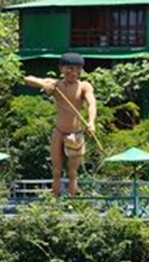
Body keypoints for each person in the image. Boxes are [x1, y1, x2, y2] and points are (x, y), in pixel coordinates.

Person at [23, 53, 97, 198]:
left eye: (77, 69)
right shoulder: (56, 84)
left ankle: (72, 198)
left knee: (72, 172)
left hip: (75, 133)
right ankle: (55, 196)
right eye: (69, 69)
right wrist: (43, 84)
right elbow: (27, 79)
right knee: (56, 170)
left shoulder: (84, 86)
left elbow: (92, 103)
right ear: (61, 69)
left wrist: (91, 121)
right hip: (59, 131)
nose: (73, 73)